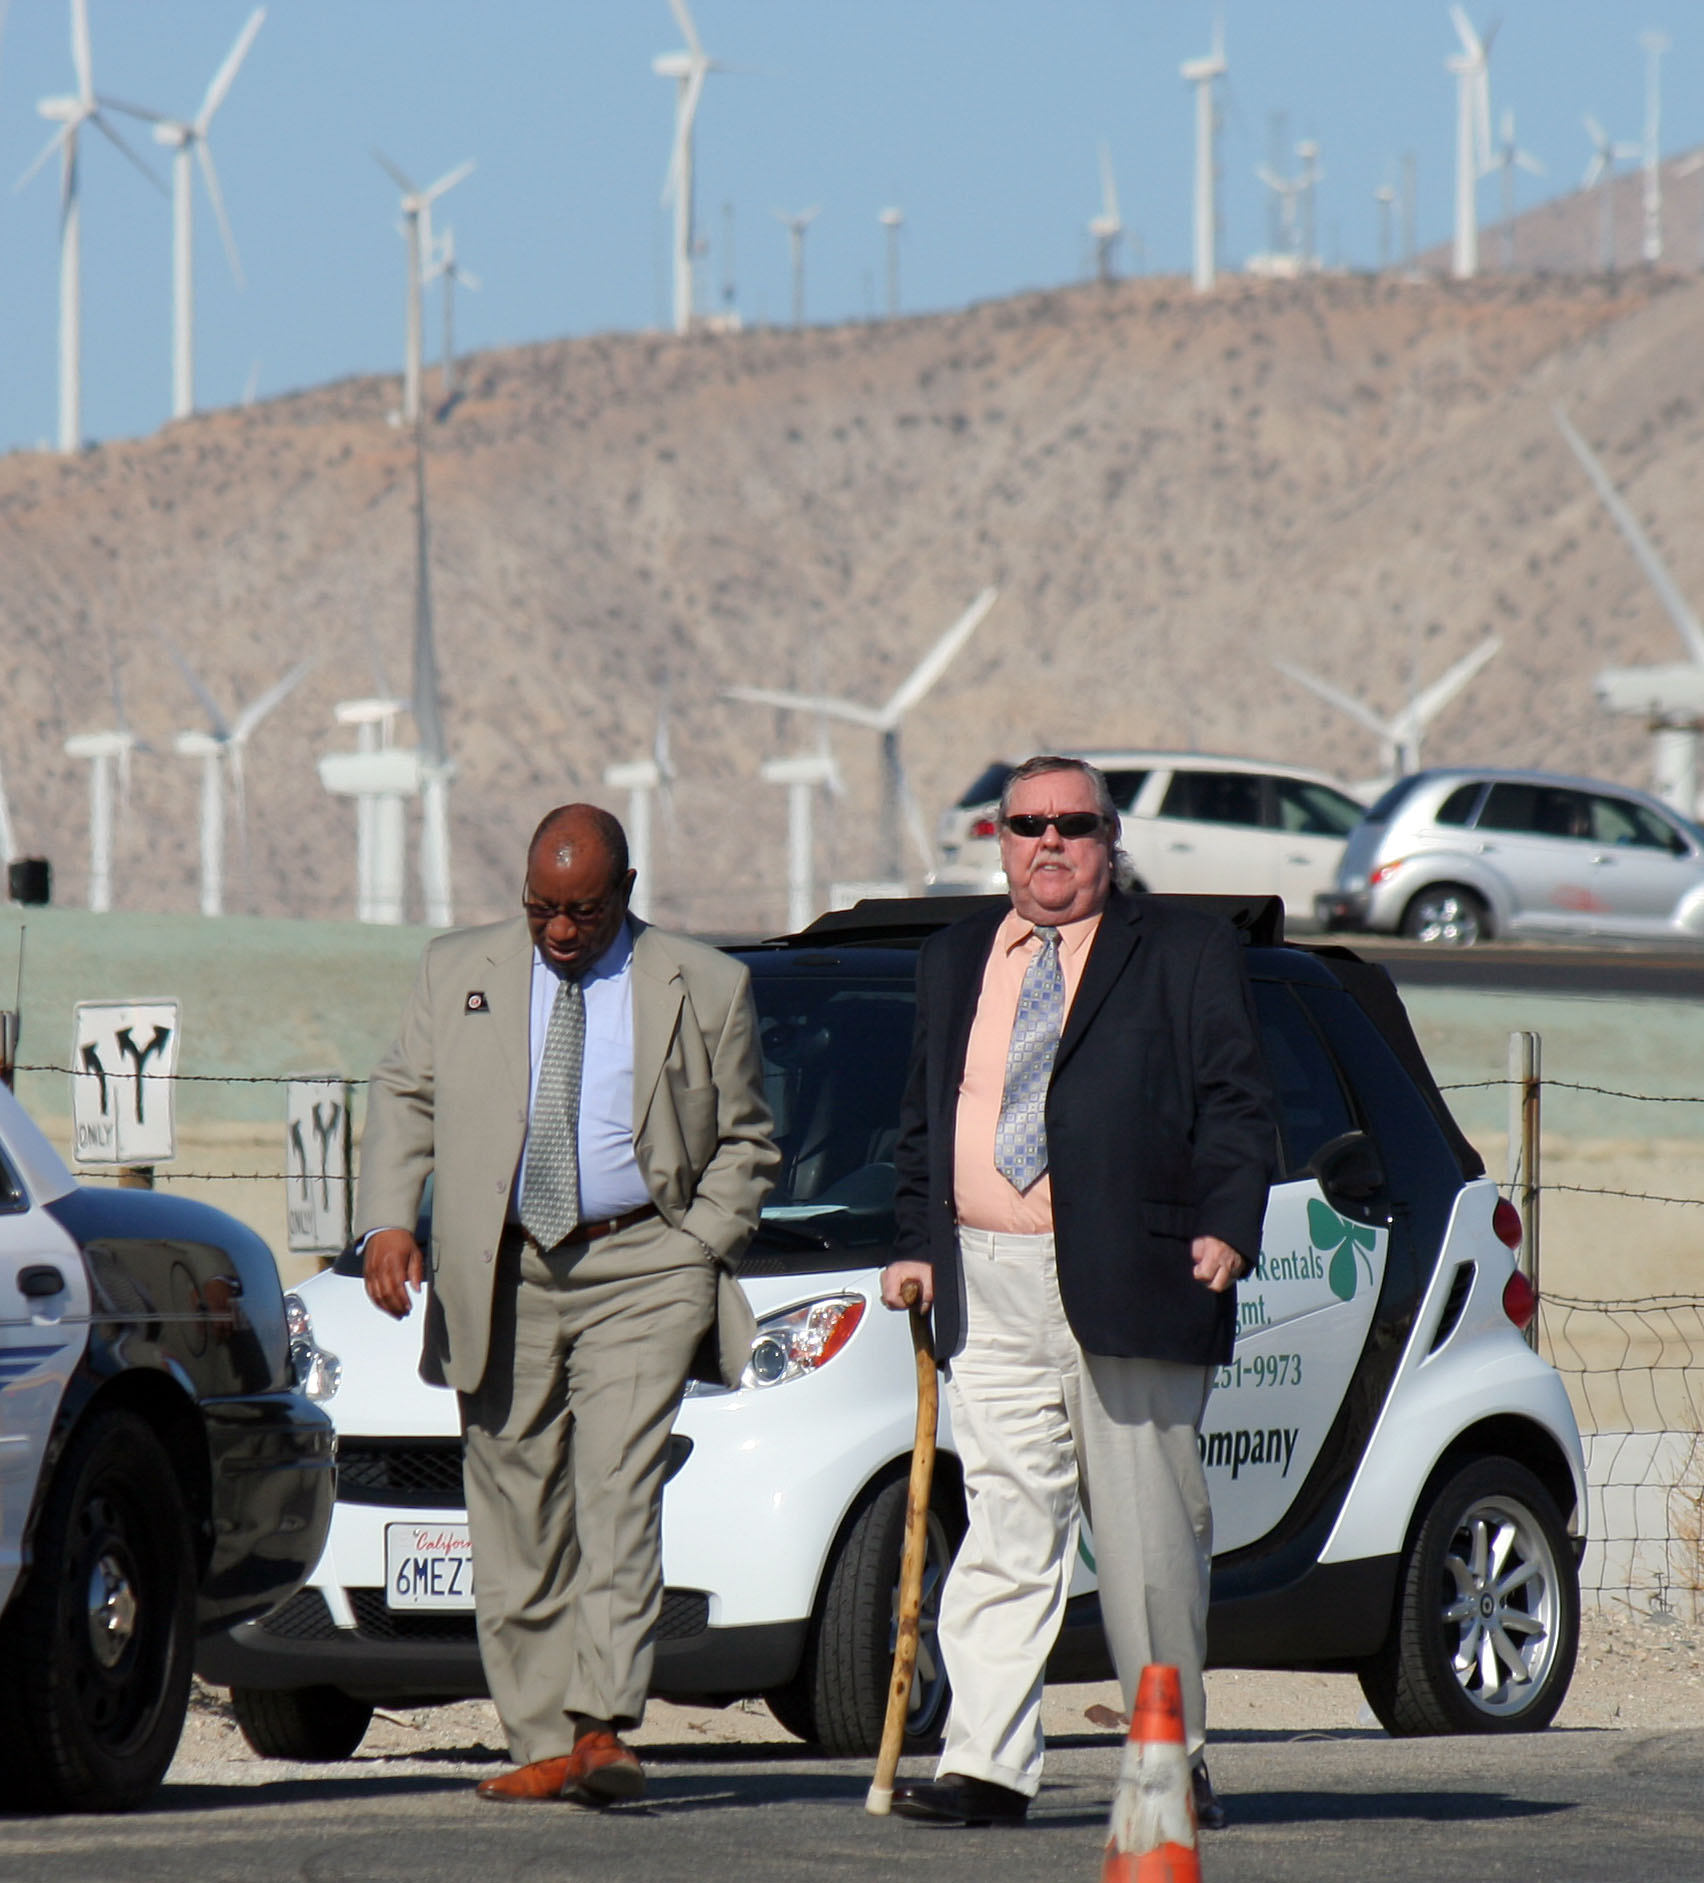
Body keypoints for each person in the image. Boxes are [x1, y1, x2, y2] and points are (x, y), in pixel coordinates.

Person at [880, 755, 1275, 1829]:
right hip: (987, 1280)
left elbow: (1238, 1104)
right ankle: (988, 1764)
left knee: (1149, 1541)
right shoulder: (952, 955)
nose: (1049, 842)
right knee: (1006, 1526)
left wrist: (1229, 1225)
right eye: (1027, 823)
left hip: (1135, 1275)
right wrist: (917, 1241)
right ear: (997, 838)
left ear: (1111, 839)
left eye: (1074, 824)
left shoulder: (1185, 949)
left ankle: (1170, 1752)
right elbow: (927, 1122)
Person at [358, 803, 777, 1807]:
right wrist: (386, 1220)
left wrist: (693, 1249)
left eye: (581, 910)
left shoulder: (707, 985)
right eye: (540, 907)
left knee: (618, 1487)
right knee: (513, 1509)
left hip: (642, 1266)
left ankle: (602, 1723)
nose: (557, 930)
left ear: (625, 893)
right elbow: (404, 1093)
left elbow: (748, 1141)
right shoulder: (456, 969)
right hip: (499, 1269)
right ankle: (542, 1737)